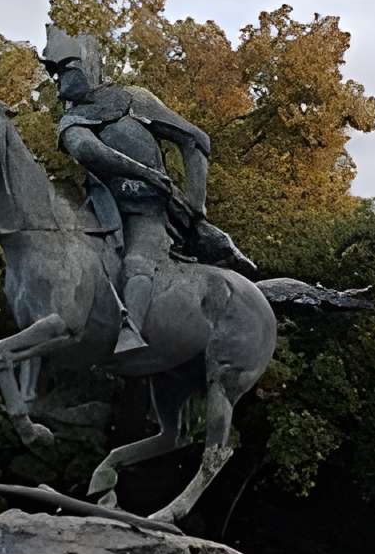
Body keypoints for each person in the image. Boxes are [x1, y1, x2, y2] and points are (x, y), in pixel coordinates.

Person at [42, 25, 256, 356]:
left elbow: (196, 139)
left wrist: (197, 207)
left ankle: (131, 331)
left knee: (137, 260)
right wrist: (143, 171)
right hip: (101, 208)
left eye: (64, 71)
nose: (60, 83)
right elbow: (88, 152)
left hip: (148, 211)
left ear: (86, 64)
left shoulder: (133, 99)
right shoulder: (72, 122)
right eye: (55, 76)